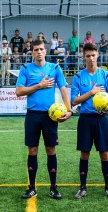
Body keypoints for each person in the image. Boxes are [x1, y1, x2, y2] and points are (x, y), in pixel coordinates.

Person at [15, 38, 71, 199]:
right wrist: (39, 86)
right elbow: (18, 91)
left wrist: (69, 110)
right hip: (32, 115)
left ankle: (53, 188)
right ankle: (32, 187)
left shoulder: (54, 68)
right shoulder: (25, 68)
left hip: (50, 116)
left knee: (50, 150)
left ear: (45, 51)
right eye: (36, 50)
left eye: (41, 49)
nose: (39, 52)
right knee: (32, 150)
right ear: (31, 52)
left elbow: (63, 90)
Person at [70, 42, 108, 199]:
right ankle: (82, 188)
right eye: (87, 56)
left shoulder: (106, 76)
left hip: (102, 119)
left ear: (97, 55)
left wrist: (106, 108)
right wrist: (91, 92)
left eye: (93, 55)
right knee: (85, 154)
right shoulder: (78, 77)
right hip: (85, 119)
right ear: (84, 57)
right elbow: (74, 101)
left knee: (104, 153)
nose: (91, 58)